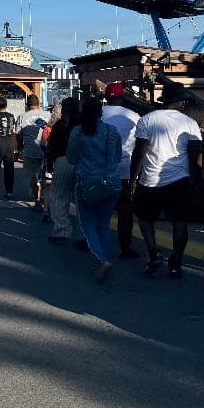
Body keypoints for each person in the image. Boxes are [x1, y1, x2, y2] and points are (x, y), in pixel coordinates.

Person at [128, 82, 202, 278]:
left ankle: (154, 254)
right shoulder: (190, 123)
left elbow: (139, 152)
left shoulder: (147, 120)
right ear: (178, 102)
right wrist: (195, 182)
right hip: (179, 180)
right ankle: (176, 261)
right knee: (179, 224)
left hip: (150, 179)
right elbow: (195, 157)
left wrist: (133, 179)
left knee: (144, 219)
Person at [67, 97, 123, 283]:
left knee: (88, 224)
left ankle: (102, 259)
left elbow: (71, 158)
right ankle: (103, 257)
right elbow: (116, 157)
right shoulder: (112, 131)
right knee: (104, 223)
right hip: (112, 183)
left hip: (88, 183)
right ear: (101, 112)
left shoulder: (78, 132)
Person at [101, 83, 141, 259]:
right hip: (125, 169)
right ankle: (125, 247)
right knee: (125, 210)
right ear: (122, 97)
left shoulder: (98, 116)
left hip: (102, 168)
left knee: (101, 207)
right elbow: (140, 145)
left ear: (106, 97)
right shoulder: (134, 116)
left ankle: (97, 243)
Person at [45, 98, 81, 245]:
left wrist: (49, 164)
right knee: (81, 199)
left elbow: (51, 146)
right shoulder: (84, 124)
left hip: (63, 160)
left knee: (59, 196)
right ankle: (84, 234)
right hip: (82, 162)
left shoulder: (60, 125)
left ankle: (62, 231)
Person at [15, 94, 51, 211]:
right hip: (46, 150)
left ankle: (37, 200)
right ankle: (45, 199)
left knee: (33, 176)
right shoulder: (48, 115)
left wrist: (20, 147)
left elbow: (18, 135)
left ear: (27, 104)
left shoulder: (22, 117)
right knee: (46, 176)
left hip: (30, 150)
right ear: (39, 103)